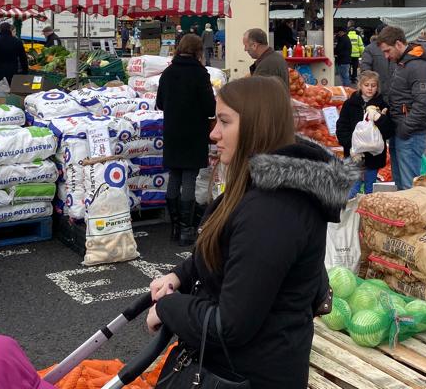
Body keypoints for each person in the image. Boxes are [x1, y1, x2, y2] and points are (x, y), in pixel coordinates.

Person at [146, 76, 356, 389]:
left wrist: (168, 308)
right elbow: (224, 246)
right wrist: (180, 274)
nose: (213, 133)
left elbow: (229, 327)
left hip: (248, 376)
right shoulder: (258, 188)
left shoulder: (274, 210)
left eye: (224, 121)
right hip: (241, 368)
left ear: (257, 125)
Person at [156, 34, 217, 246]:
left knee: (174, 175)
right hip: (194, 132)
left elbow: (160, 103)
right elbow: (210, 108)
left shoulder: (168, 72)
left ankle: (174, 227)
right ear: (198, 51)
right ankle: (187, 229)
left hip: (172, 131)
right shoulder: (200, 74)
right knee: (189, 177)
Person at [378, 26, 426, 190]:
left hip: (409, 133)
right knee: (401, 183)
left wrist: (406, 128)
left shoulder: (418, 66)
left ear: (398, 44)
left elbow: (424, 103)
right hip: (400, 129)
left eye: (387, 50)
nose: (386, 56)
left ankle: (412, 215)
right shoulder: (403, 63)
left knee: (409, 186)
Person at [336, 71, 394, 197]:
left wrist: (379, 118)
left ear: (377, 87)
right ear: (360, 86)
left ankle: (366, 215)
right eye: (366, 85)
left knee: (370, 190)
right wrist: (350, 146)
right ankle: (348, 215)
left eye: (373, 85)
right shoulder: (350, 104)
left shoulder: (382, 105)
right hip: (354, 154)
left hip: (374, 156)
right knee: (352, 190)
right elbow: (342, 127)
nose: (370, 88)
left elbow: (389, 131)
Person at [359, 30, 394, 98]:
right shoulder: (370, 48)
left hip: (381, 88)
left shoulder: (370, 48)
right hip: (378, 88)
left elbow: (365, 67)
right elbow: (365, 68)